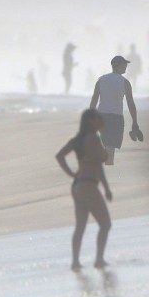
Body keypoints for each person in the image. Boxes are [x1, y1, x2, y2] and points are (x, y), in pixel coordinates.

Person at [56, 110, 113, 272]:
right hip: (89, 186)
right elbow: (103, 159)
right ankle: (99, 260)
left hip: (78, 185)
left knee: (80, 226)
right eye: (99, 119)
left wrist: (71, 173)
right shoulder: (94, 138)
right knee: (105, 224)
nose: (102, 120)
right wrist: (106, 187)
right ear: (91, 121)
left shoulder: (77, 140)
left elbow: (59, 156)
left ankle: (75, 262)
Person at [89, 55, 141, 166]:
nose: (126, 66)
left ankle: (105, 163)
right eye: (124, 64)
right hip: (116, 117)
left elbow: (94, 99)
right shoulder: (125, 82)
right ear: (117, 65)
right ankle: (108, 165)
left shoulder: (101, 79)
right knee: (111, 145)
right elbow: (130, 103)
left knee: (108, 144)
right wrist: (135, 121)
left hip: (101, 116)